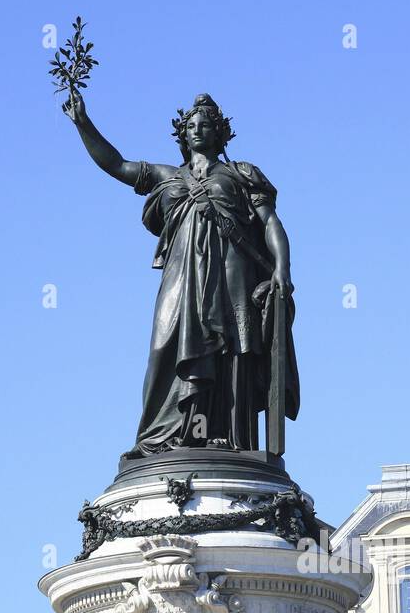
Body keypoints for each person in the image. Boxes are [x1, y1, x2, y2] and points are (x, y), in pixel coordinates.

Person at [64, 90, 299, 454]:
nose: (197, 130)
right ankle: (165, 434)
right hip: (181, 276)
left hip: (231, 273)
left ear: (219, 132)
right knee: (166, 346)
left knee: (231, 349)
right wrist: (83, 123)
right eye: (191, 126)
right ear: (183, 134)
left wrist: (282, 267)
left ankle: (225, 437)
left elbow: (270, 223)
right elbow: (117, 165)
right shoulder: (167, 175)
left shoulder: (242, 174)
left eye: (205, 125)